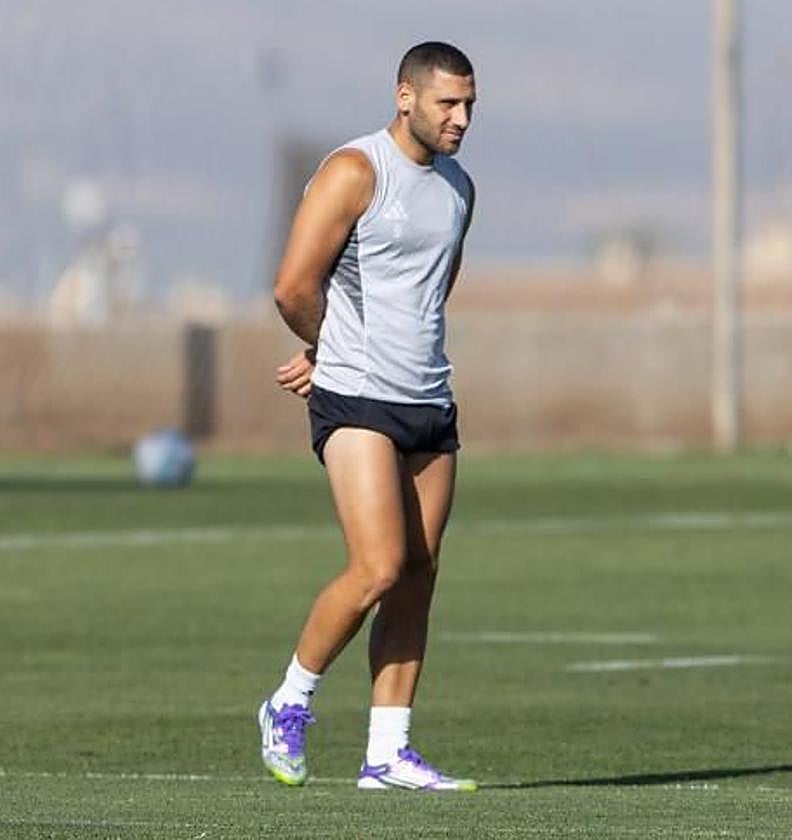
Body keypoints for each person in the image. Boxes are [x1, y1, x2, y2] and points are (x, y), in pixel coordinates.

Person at [259, 41, 477, 792]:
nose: (461, 119)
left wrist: (353, 340)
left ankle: (387, 755)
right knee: (377, 566)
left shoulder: (458, 189)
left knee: (418, 575)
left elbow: (426, 294)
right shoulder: (356, 171)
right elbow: (293, 287)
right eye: (448, 103)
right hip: (357, 400)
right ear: (406, 97)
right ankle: (289, 700)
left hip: (429, 401)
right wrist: (332, 348)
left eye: (470, 105)